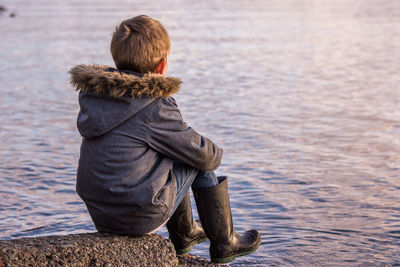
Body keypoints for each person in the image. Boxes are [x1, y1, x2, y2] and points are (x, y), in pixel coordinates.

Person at [69, 15, 261, 264]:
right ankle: (225, 243)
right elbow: (205, 156)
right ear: (162, 66)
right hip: (138, 215)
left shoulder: (96, 98)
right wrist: (216, 151)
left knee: (168, 151)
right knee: (195, 160)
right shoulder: (154, 105)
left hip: (100, 213)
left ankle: (185, 234)